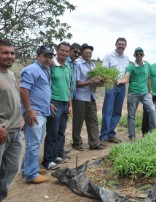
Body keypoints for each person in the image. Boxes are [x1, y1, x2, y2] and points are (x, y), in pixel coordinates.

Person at [20, 45, 55, 183]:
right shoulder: (32, 69)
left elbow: (41, 89)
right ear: (38, 55)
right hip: (34, 112)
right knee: (33, 144)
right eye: (45, 56)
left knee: (36, 142)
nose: (48, 59)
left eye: (50, 56)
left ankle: (28, 168)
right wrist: (29, 110)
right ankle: (31, 174)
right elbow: (23, 89)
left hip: (42, 110)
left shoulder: (45, 69)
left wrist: (49, 103)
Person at [42, 42, 71, 170]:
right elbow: (46, 85)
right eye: (62, 50)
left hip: (65, 103)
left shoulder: (67, 67)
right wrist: (49, 102)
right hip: (55, 103)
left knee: (61, 132)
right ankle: (48, 160)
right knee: (52, 132)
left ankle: (55, 156)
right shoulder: (51, 66)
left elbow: (68, 87)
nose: (64, 53)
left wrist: (70, 105)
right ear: (57, 50)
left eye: (66, 51)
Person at [71, 43, 106, 151]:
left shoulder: (93, 65)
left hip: (91, 96)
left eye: (90, 53)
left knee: (93, 120)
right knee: (78, 121)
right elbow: (76, 83)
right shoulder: (77, 65)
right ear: (81, 53)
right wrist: (91, 81)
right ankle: (77, 143)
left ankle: (94, 143)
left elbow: (95, 82)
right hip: (80, 97)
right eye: (86, 52)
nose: (88, 54)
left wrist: (100, 82)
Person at [117, 47, 156, 140]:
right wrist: (120, 81)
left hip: (145, 93)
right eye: (137, 54)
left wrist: (150, 90)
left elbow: (149, 78)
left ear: (143, 55)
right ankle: (132, 136)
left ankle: (152, 132)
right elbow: (126, 77)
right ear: (134, 55)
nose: (139, 55)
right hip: (133, 93)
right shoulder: (130, 67)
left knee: (152, 110)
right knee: (131, 115)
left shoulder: (147, 65)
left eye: (141, 54)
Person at [0, 39, 22, 200]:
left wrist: (20, 116)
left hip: (15, 132)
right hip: (1, 132)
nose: (9, 56)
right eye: (5, 52)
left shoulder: (11, 74)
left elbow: (13, 98)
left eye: (12, 53)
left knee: (11, 169)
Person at [100, 38, 130, 143]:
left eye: (123, 44)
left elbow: (127, 73)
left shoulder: (127, 58)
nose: (121, 46)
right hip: (111, 86)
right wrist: (112, 81)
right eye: (119, 44)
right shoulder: (108, 57)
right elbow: (104, 72)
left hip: (122, 87)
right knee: (107, 111)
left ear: (125, 46)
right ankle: (103, 136)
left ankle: (111, 134)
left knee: (117, 112)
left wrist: (122, 81)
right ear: (115, 44)